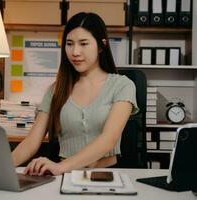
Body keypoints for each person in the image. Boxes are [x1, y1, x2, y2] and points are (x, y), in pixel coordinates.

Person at [12, 12, 138, 176]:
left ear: (101, 46)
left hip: (106, 176)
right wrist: (0, 168)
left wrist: (60, 167)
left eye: (84, 43)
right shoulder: (56, 89)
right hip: (66, 176)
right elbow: (31, 142)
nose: (75, 52)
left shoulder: (122, 85)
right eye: (69, 44)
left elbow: (109, 139)